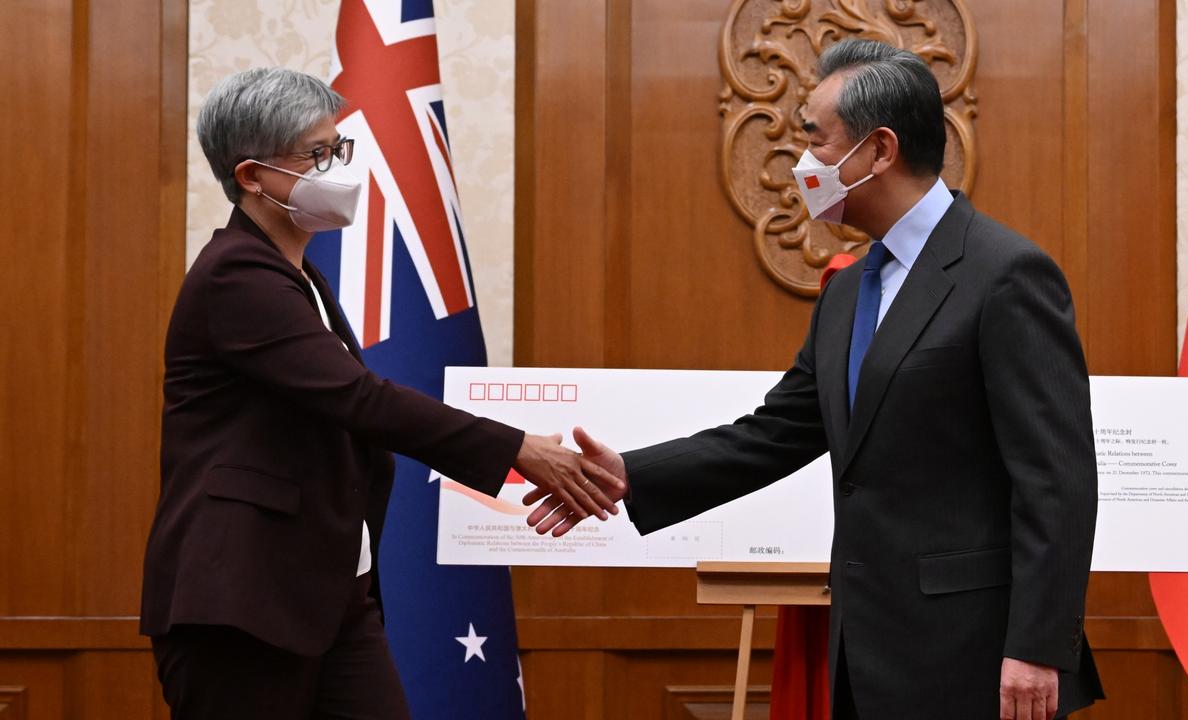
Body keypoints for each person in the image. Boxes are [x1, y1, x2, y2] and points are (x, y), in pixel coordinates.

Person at [525, 39, 1104, 720]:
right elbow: (775, 433)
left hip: (978, 658)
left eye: (817, 141)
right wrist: (627, 473)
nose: (802, 165)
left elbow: (1056, 479)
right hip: (864, 650)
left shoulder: (1005, 275)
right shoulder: (848, 289)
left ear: (880, 151)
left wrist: (1038, 647)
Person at [140, 67, 623, 720]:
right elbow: (362, 400)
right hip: (244, 604)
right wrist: (520, 450)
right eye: (317, 155)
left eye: (339, 147)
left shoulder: (295, 274)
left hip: (329, 595)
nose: (341, 167)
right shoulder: (237, 279)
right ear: (252, 177)